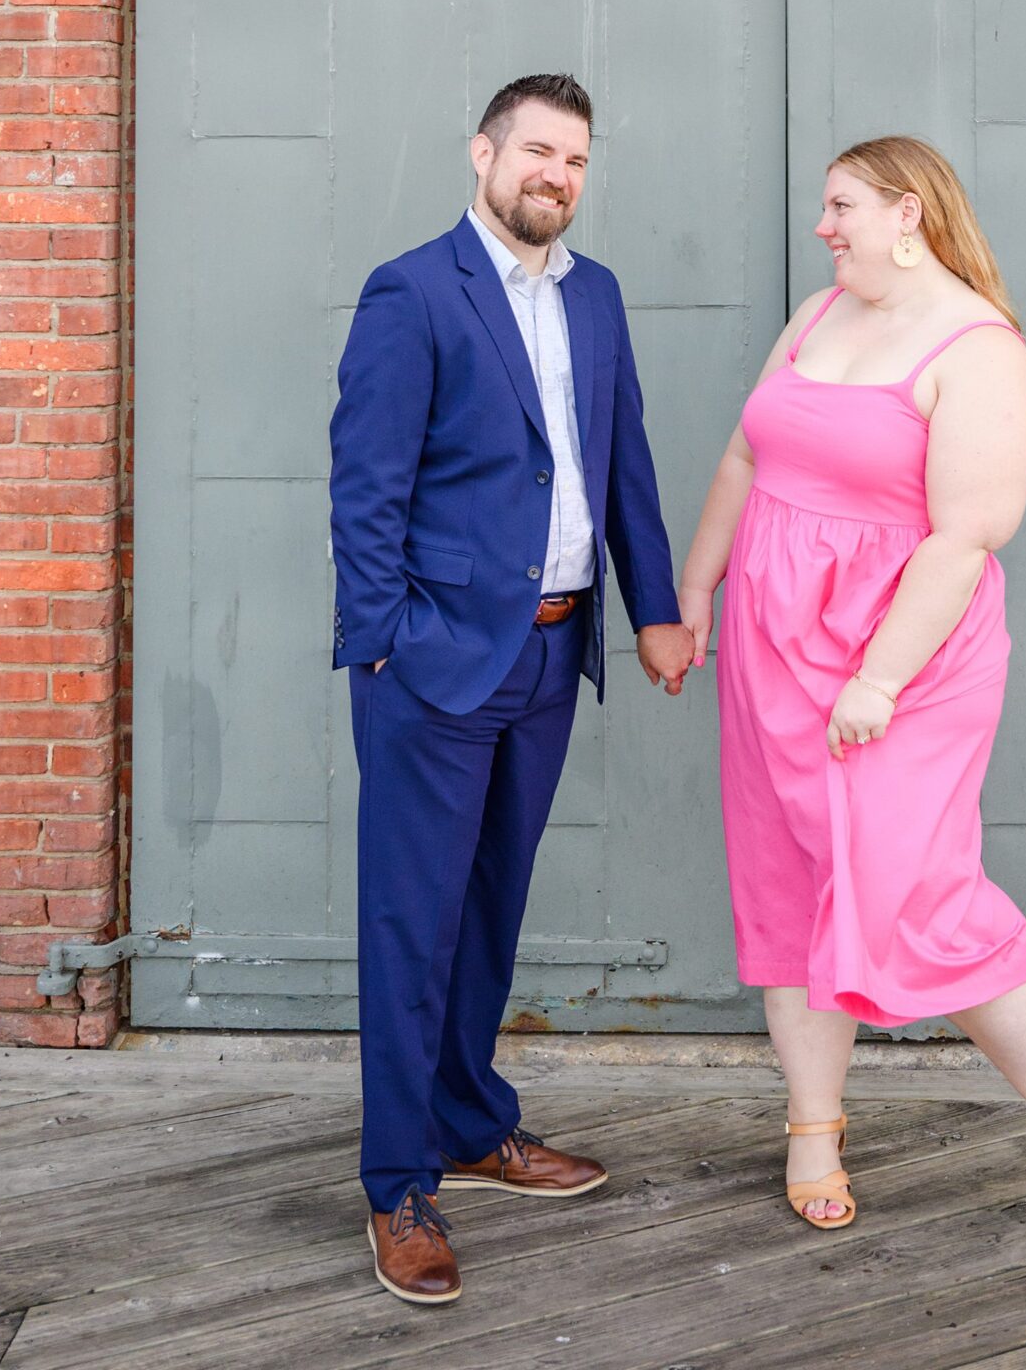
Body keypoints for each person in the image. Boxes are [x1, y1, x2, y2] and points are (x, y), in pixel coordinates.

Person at [679, 135, 1026, 1239]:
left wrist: (878, 678)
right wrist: (692, 590)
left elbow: (967, 534)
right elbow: (746, 458)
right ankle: (812, 1125)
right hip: (771, 644)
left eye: (840, 206)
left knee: (919, 894)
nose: (823, 225)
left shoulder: (976, 346)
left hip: (899, 659)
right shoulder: (815, 312)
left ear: (907, 213)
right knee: (786, 880)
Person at [330, 73, 696, 1307]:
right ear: (482, 153)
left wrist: (652, 609)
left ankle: (471, 1125)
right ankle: (395, 1184)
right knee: (410, 919)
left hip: (549, 655)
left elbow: (620, 457)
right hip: (433, 662)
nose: (557, 173)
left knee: (486, 910)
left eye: (576, 158)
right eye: (538, 149)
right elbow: (366, 486)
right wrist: (378, 645)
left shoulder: (592, 297)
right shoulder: (413, 290)